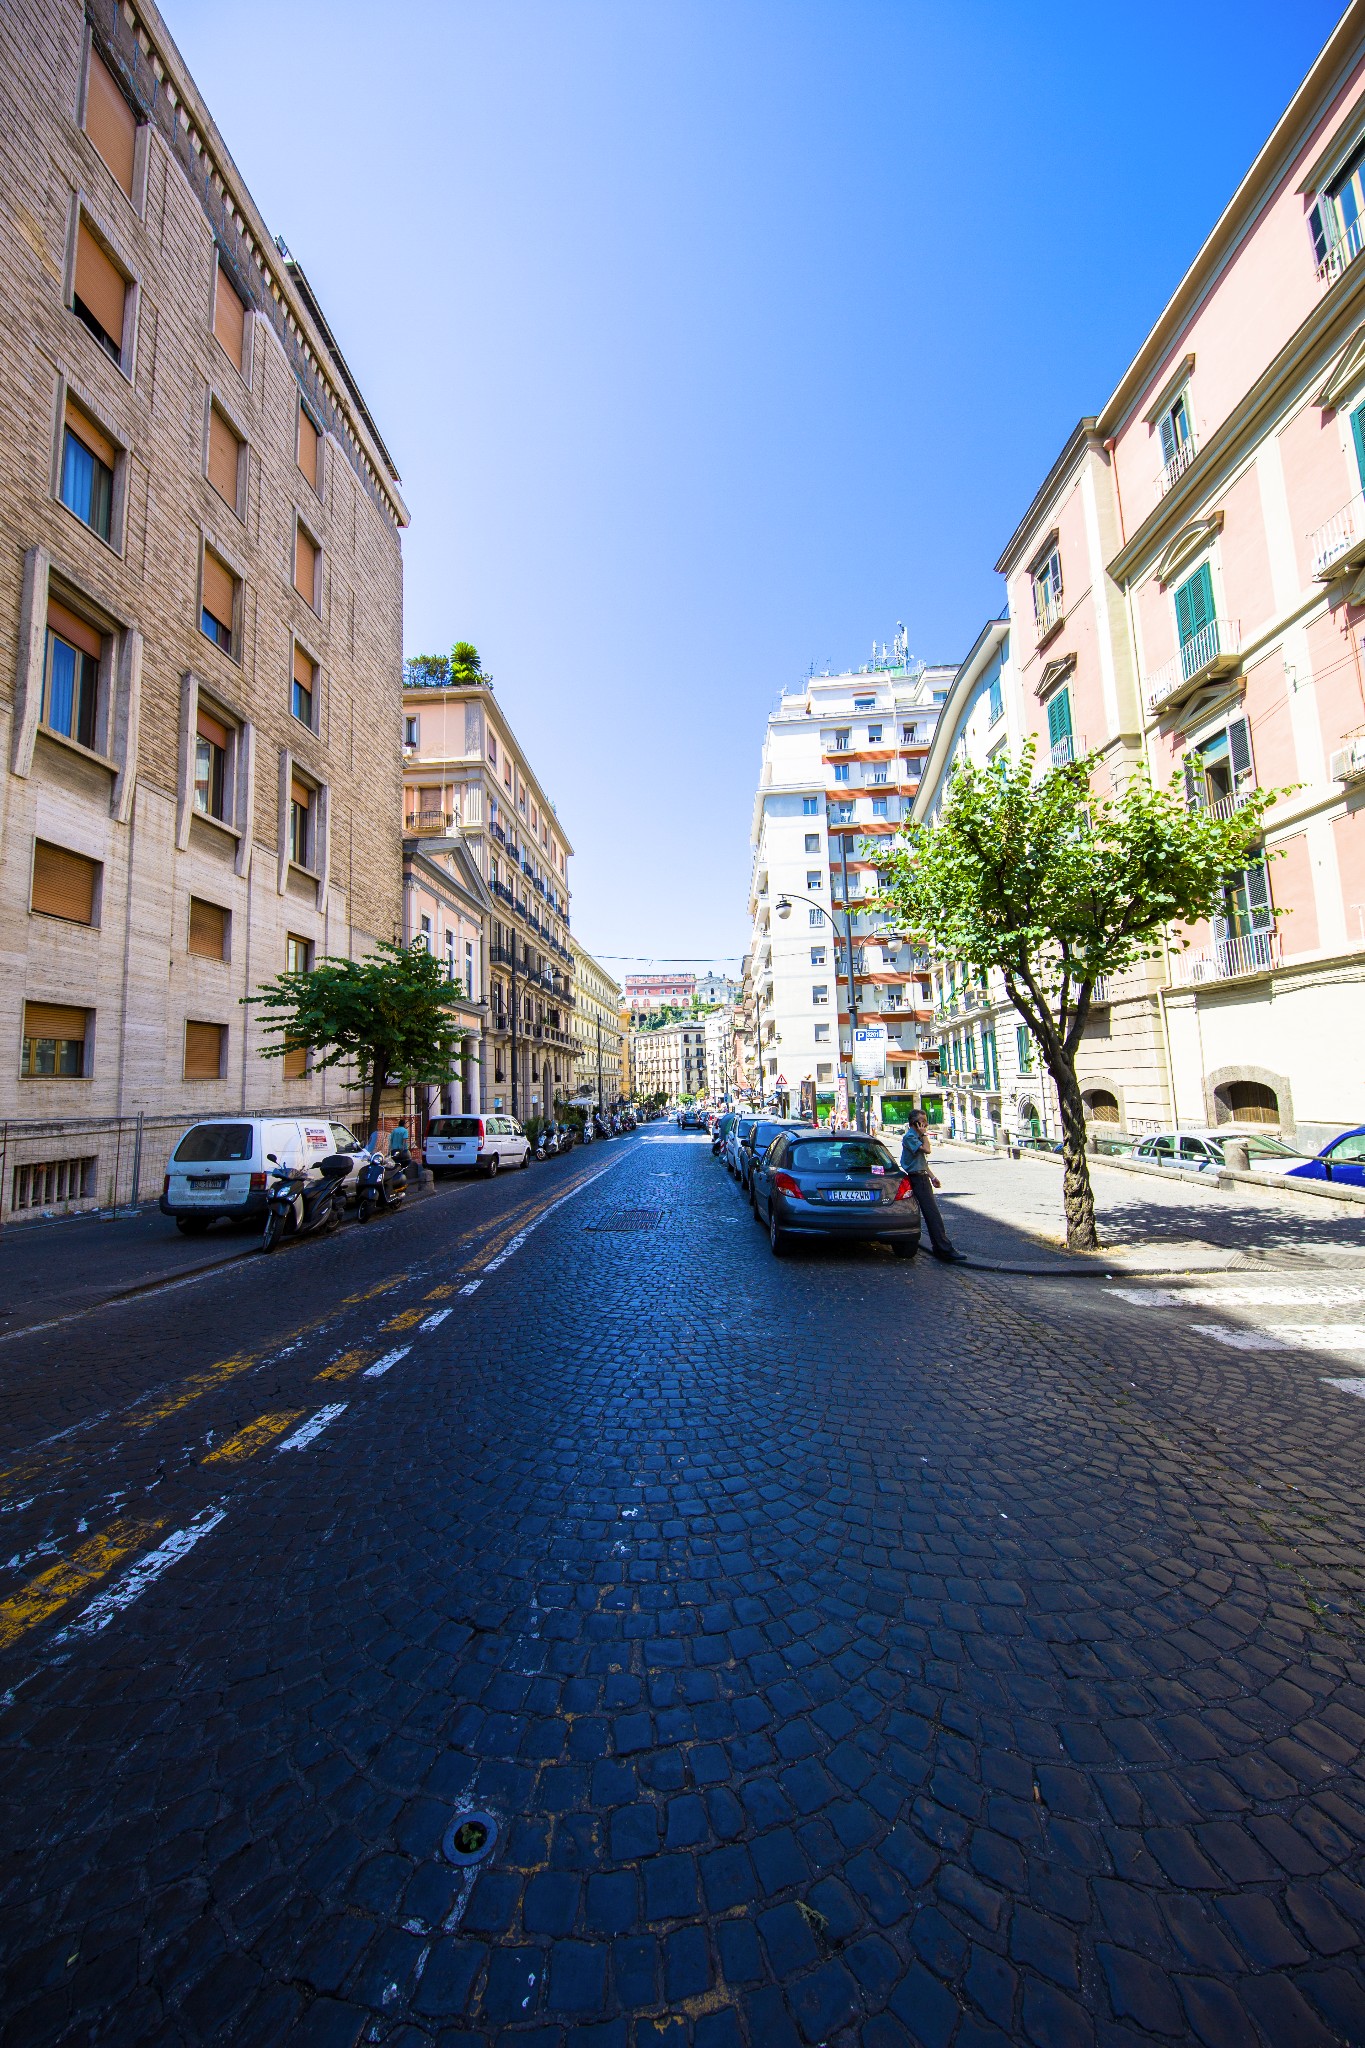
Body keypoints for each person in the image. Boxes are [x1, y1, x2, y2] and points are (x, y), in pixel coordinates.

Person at [900, 1111, 965, 1262]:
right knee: (932, 1215)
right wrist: (924, 1134)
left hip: (922, 1177)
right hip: (917, 1179)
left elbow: (921, 1162)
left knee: (932, 1215)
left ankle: (941, 1247)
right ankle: (943, 1249)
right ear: (915, 1123)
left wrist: (932, 1176)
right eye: (923, 1121)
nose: (926, 1124)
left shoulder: (913, 1136)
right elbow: (927, 1150)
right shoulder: (910, 1137)